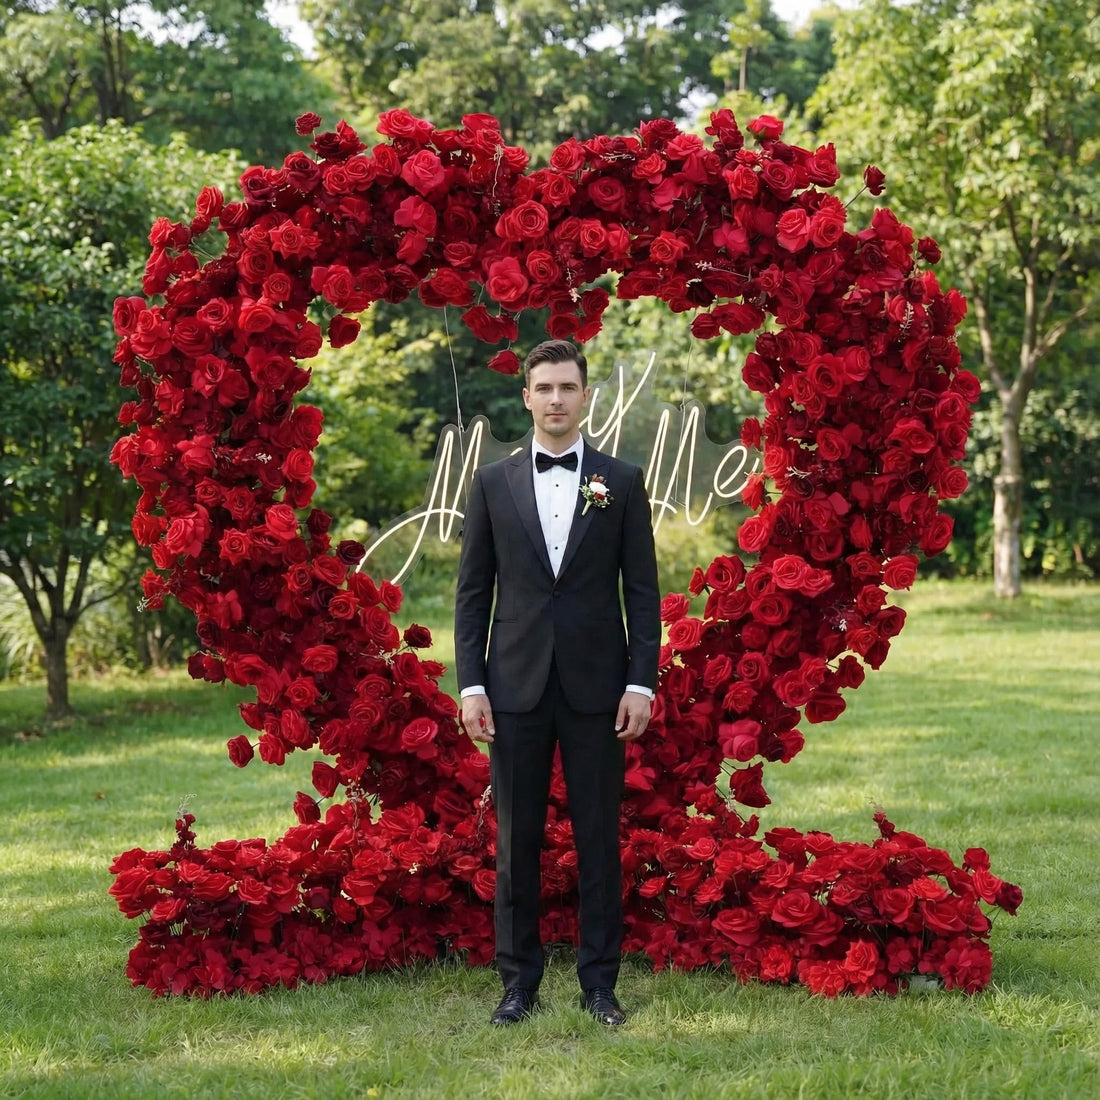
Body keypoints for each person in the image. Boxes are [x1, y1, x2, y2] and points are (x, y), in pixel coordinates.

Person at [454, 339, 661, 1027]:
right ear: (526, 397)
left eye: (567, 387)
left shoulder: (622, 482)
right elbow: (472, 594)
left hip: (598, 691)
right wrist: (471, 686)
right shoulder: (491, 483)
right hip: (512, 688)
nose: (556, 399)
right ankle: (519, 983)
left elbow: (644, 594)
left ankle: (600, 983)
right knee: (516, 842)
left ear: (585, 397)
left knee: (599, 839)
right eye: (543, 388)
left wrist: (642, 684)